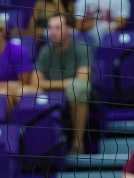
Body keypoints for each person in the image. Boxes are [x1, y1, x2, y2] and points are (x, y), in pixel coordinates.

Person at [31, 14, 93, 154]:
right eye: (50, 28)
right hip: (55, 91)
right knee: (23, 91)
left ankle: (78, 143)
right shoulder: (45, 51)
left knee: (78, 88)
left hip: (76, 92)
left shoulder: (82, 48)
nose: (53, 32)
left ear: (68, 29)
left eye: (58, 28)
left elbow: (82, 79)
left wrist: (47, 84)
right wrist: (65, 83)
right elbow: (35, 82)